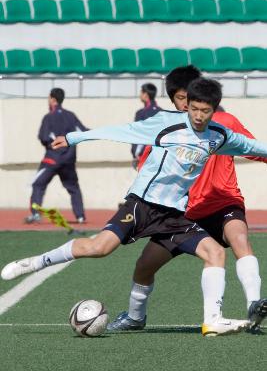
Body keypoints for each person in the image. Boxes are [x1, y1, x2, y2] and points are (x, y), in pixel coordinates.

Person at [3, 77, 267, 336]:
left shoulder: (219, 136)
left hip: (174, 215)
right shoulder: (167, 123)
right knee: (99, 248)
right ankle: (36, 262)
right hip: (142, 204)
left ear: (214, 109)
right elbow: (123, 131)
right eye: (194, 108)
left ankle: (213, 320)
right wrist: (75, 138)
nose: (198, 116)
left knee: (215, 253)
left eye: (205, 111)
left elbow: (252, 146)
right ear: (188, 105)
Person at [107, 68, 267, 335]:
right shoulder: (167, 129)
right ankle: (135, 317)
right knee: (145, 265)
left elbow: (255, 149)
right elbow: (147, 170)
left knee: (240, 239)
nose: (185, 105)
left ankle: (254, 305)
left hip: (222, 203)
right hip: (182, 214)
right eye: (179, 99)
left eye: (187, 98)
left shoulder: (225, 121)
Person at [24, 88, 88, 224]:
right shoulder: (71, 115)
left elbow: (43, 137)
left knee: (38, 184)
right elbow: (83, 132)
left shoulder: (49, 117)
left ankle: (36, 214)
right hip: (69, 160)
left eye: (49, 98)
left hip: (51, 159)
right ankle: (80, 217)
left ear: (53, 100)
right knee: (73, 188)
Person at [131, 83, 162, 169]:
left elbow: (142, 135)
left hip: (148, 156)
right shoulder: (160, 112)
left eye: (141, 92)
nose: (140, 95)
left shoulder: (147, 113)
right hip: (148, 156)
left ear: (145, 94)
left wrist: (137, 153)